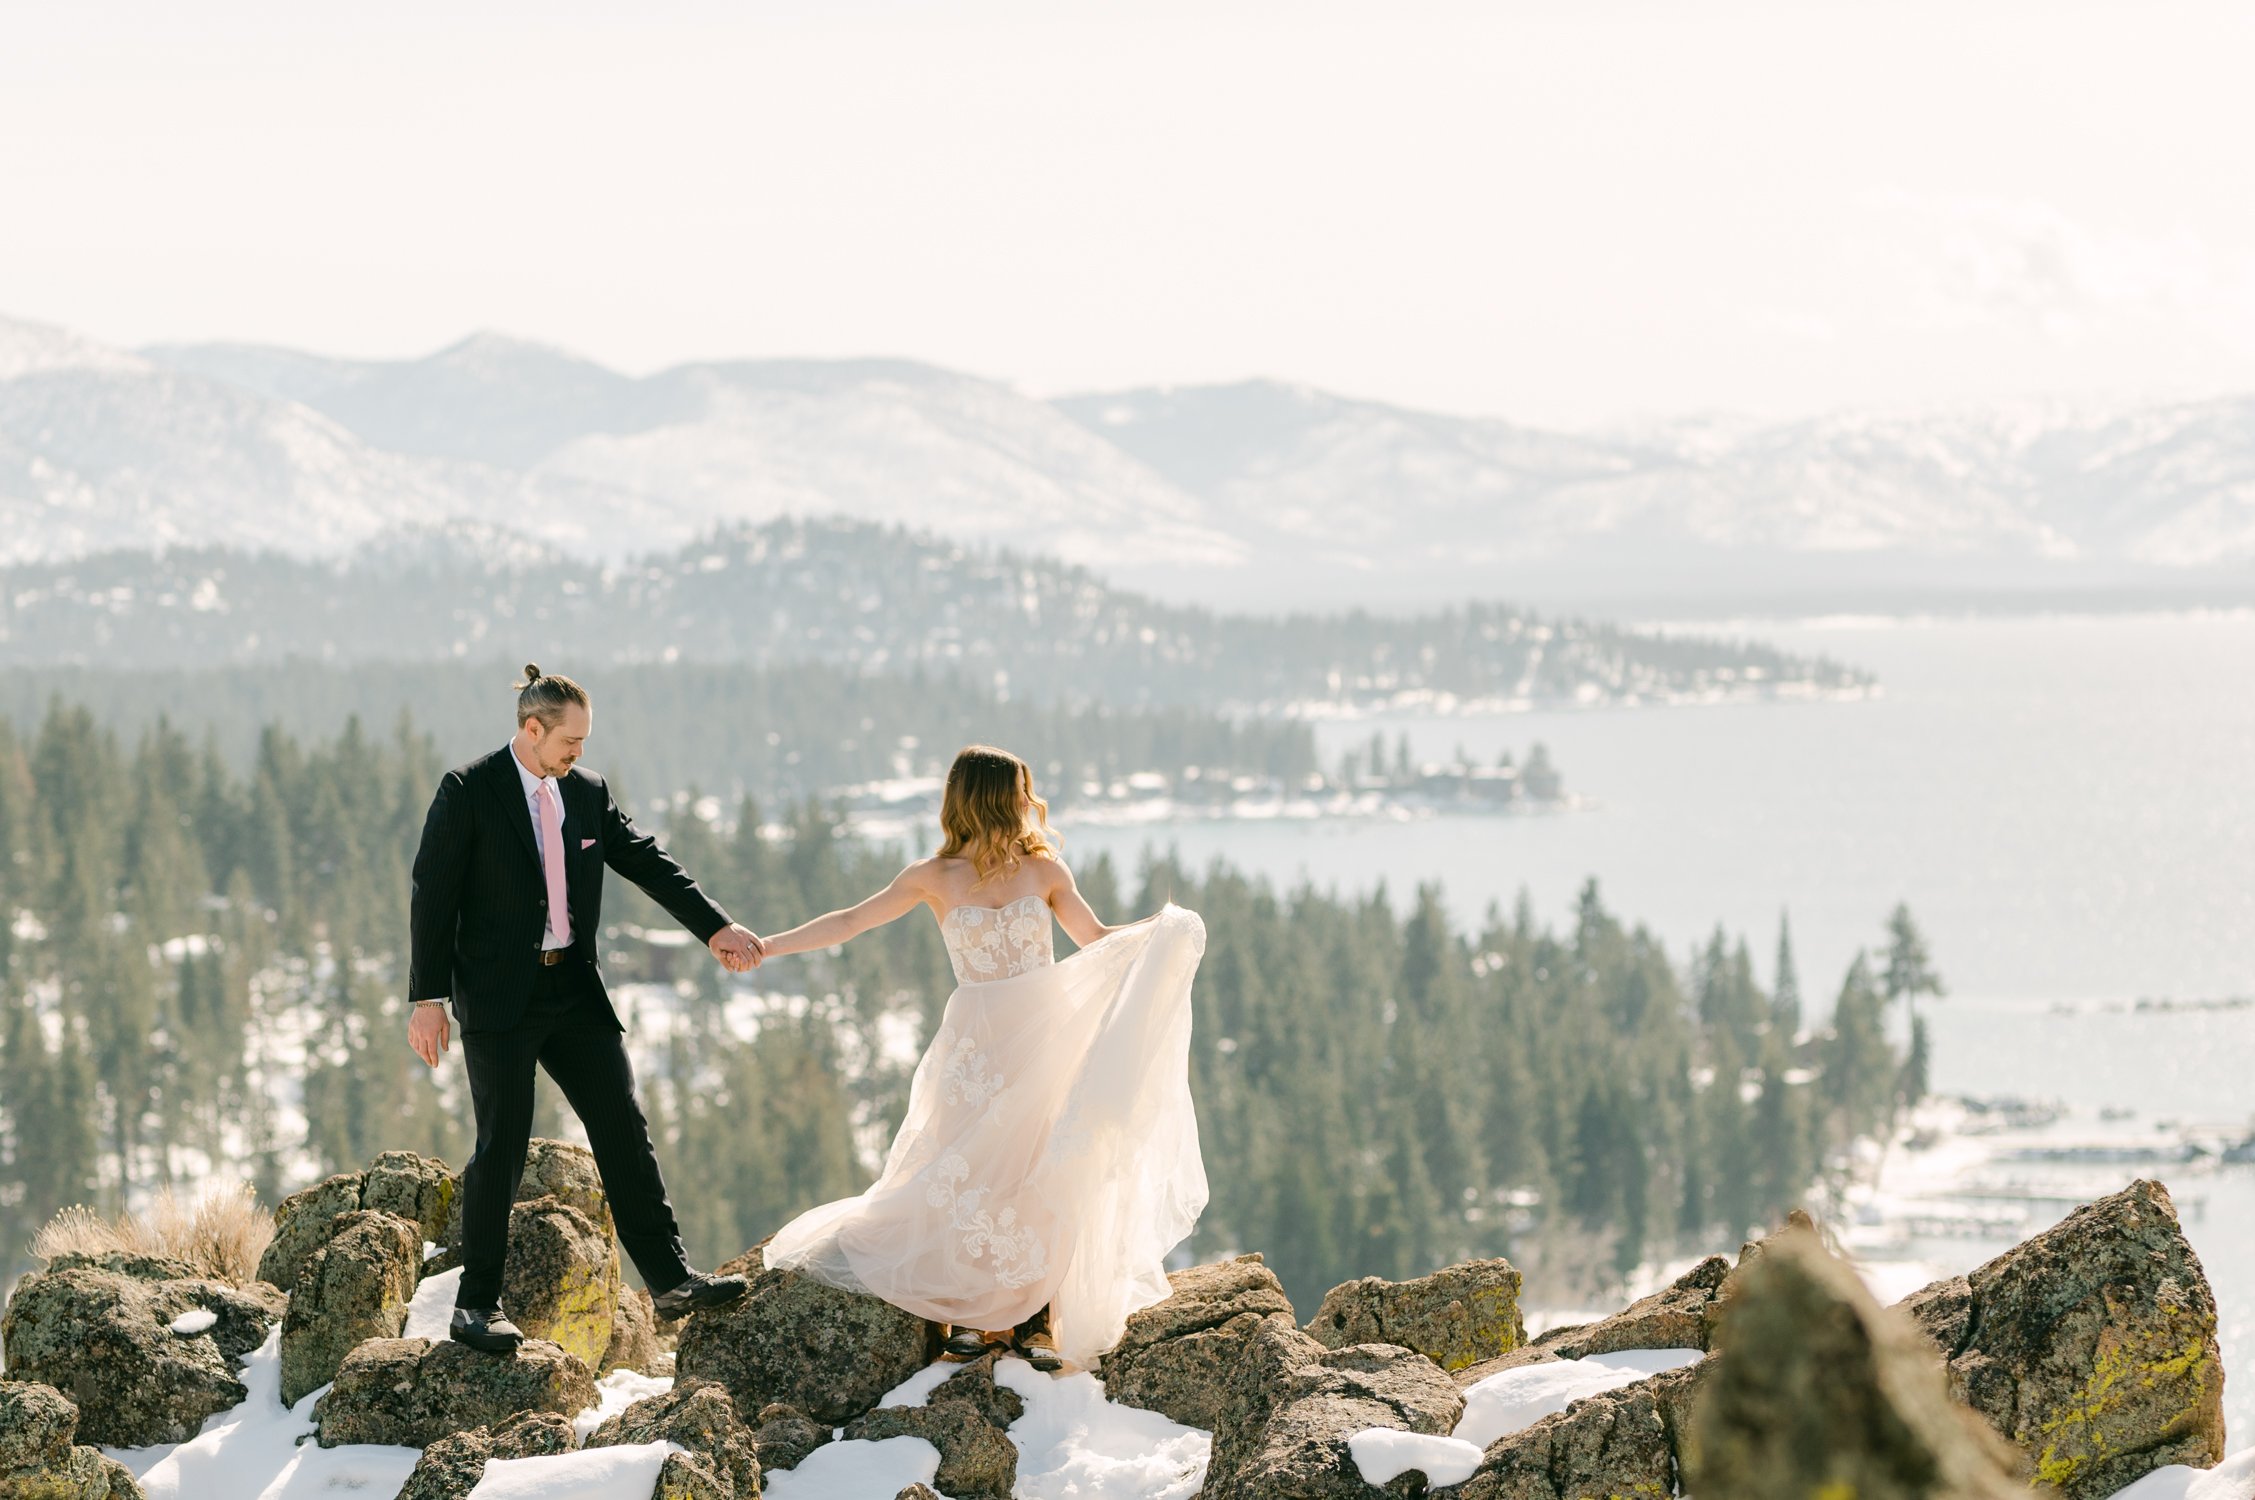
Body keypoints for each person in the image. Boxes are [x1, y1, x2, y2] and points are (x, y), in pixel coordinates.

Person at [757, 744, 1208, 1372]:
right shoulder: (932, 876)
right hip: (976, 1043)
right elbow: (849, 922)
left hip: (1046, 1038)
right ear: (997, 797)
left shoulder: (1045, 872)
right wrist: (767, 947)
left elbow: (1098, 943)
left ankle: (1034, 1321)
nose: (1030, 801)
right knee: (966, 1167)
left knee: (1038, 1169)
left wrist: (1162, 936)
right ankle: (969, 1313)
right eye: (1022, 790)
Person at [407, 664, 765, 1354]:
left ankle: (668, 1281)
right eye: (569, 741)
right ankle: (475, 1304)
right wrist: (427, 999)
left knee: (622, 1127)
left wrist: (714, 925)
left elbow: (645, 859)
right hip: (499, 997)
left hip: (572, 988)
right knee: (502, 1145)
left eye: (584, 742)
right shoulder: (468, 790)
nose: (579, 754)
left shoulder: (587, 790)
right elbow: (432, 895)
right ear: (531, 729)